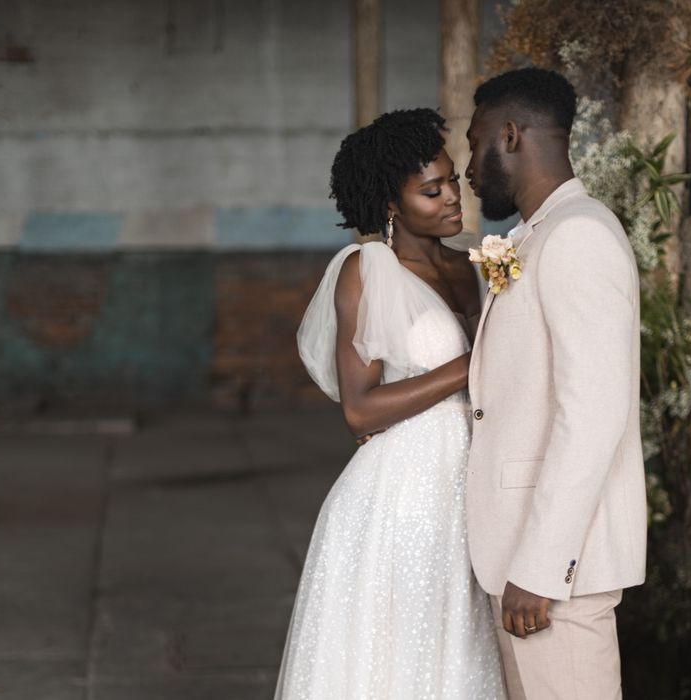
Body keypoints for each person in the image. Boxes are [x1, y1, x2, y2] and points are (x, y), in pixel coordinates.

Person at [274, 108, 505, 699]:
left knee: (459, 653)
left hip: (473, 487)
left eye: (452, 179)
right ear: (390, 205)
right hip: (401, 498)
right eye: (432, 190)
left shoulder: (478, 264)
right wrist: (472, 364)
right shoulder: (367, 270)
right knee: (399, 663)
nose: (454, 197)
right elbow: (360, 409)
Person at [464, 67, 647, 700]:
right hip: (525, 559)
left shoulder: (578, 237)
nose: (467, 165)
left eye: (474, 141)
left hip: (555, 574)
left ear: (510, 135)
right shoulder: (540, 235)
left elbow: (593, 416)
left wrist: (542, 567)